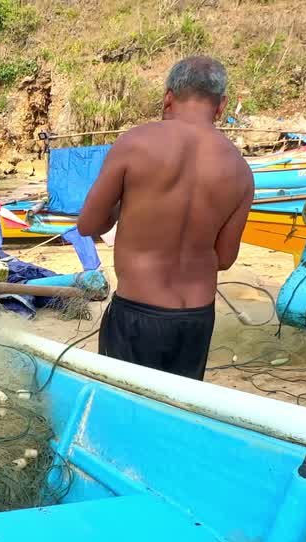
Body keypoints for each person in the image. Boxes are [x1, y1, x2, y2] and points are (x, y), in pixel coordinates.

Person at [77, 56, 255, 381]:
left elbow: (88, 225)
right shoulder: (241, 170)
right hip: (197, 318)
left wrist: (123, 208)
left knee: (123, 411)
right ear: (221, 105)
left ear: (168, 97)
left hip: (137, 313)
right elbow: (225, 258)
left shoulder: (135, 143)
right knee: (174, 413)